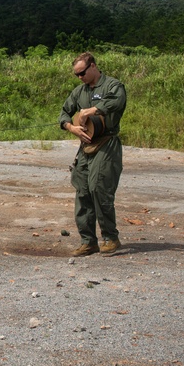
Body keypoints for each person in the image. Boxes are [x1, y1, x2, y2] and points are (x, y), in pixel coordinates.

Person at [58, 52, 127, 256]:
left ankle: (110, 237)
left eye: (82, 73)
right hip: (85, 146)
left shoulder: (113, 86)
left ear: (93, 66)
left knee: (99, 187)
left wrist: (92, 110)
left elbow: (117, 102)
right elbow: (63, 113)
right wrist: (71, 127)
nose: (79, 77)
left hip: (107, 143)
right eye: (76, 74)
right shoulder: (79, 92)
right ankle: (88, 241)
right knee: (82, 190)